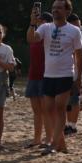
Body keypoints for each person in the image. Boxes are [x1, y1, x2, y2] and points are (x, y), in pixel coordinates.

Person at [26, 0, 82, 154]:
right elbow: (31, 39)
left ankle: (53, 144)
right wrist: (32, 22)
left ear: (67, 10)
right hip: (48, 75)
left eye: (59, 7)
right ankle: (61, 143)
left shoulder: (74, 30)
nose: (55, 10)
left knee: (59, 108)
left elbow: (79, 56)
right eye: (53, 7)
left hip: (65, 74)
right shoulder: (46, 27)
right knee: (48, 109)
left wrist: (78, 79)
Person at [24, 11, 53, 147]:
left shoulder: (50, 35)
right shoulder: (35, 35)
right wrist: (31, 23)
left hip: (45, 76)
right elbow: (28, 38)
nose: (38, 22)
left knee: (46, 110)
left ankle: (48, 139)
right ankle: (37, 139)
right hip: (33, 75)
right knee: (37, 111)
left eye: (40, 20)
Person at [64, 13, 82, 134]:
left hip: (78, 72)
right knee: (67, 100)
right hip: (67, 71)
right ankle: (68, 123)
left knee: (75, 99)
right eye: (75, 25)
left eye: (79, 25)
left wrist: (80, 78)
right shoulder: (68, 33)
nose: (78, 27)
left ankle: (72, 125)